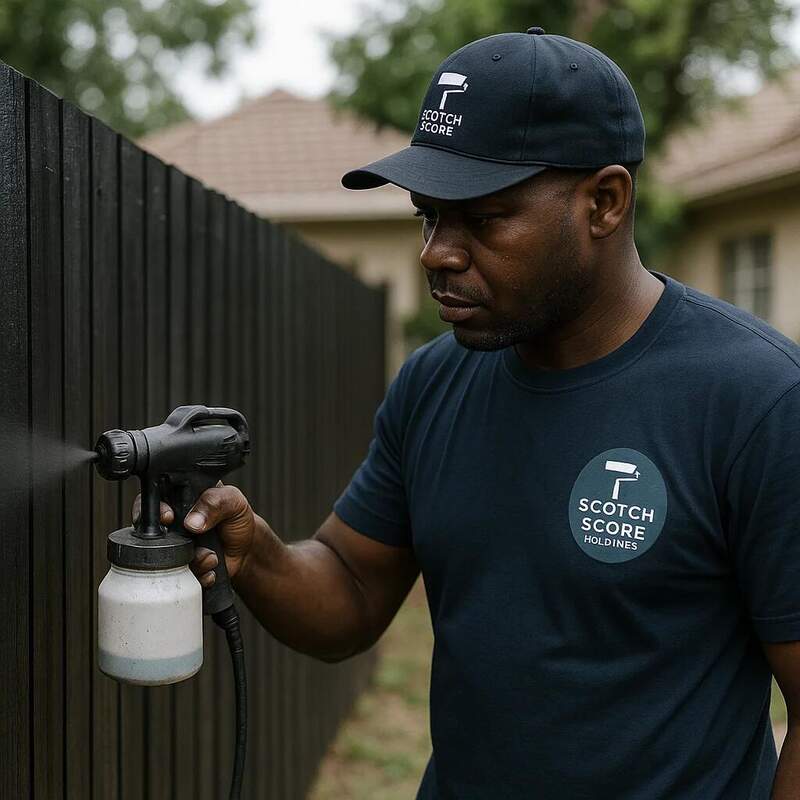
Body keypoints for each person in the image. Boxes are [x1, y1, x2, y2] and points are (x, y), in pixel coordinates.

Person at [136, 29, 800, 799]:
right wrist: (256, 555)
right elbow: (351, 589)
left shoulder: (756, 399)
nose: (436, 253)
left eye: (483, 219)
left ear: (605, 203)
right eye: (428, 215)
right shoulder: (435, 382)